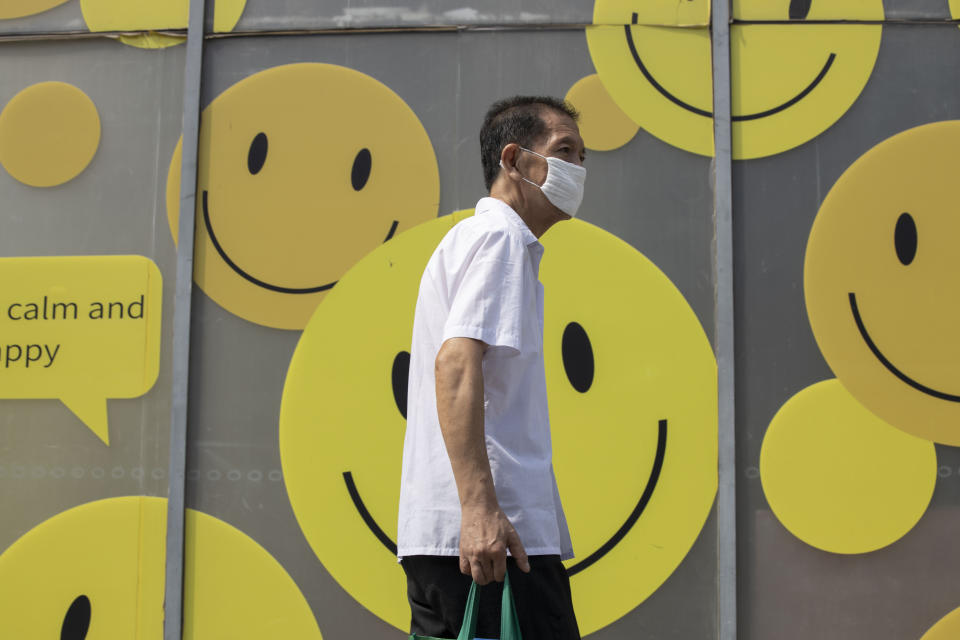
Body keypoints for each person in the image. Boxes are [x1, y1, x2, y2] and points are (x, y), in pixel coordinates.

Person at [397, 96, 586, 639]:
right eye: (564, 151)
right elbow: (455, 363)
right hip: (496, 540)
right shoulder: (500, 237)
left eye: (582, 155)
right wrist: (479, 511)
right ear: (514, 159)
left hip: (468, 538)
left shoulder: (479, 241)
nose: (578, 169)